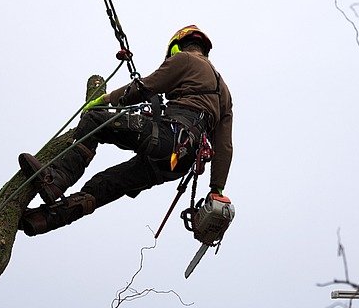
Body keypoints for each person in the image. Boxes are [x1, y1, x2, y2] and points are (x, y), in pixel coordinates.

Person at [16, 25, 233, 237]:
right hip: (177, 163)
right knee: (105, 184)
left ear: (176, 48)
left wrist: (105, 100)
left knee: (94, 120)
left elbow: (145, 86)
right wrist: (217, 189)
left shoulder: (184, 59)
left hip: (168, 138)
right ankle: (42, 220)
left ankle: (58, 178)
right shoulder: (225, 92)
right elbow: (224, 146)